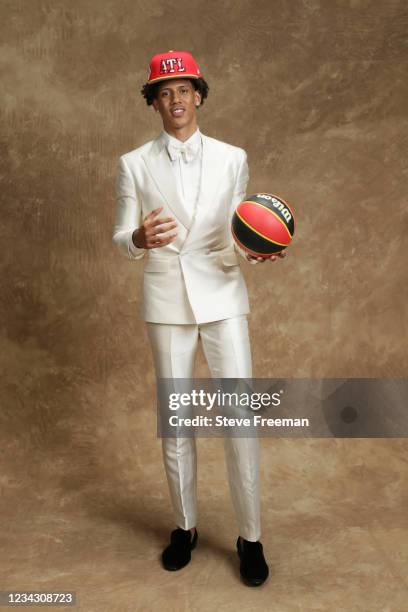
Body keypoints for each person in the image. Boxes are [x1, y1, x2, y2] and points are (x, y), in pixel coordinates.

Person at [112, 50, 286, 587]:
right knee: (178, 423)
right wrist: (138, 238)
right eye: (164, 93)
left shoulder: (234, 157)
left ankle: (250, 536)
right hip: (166, 303)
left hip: (223, 296)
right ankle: (184, 526)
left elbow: (238, 233)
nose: (176, 100)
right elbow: (123, 238)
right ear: (154, 103)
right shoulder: (133, 163)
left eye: (184, 90)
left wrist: (253, 252)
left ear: (199, 95)